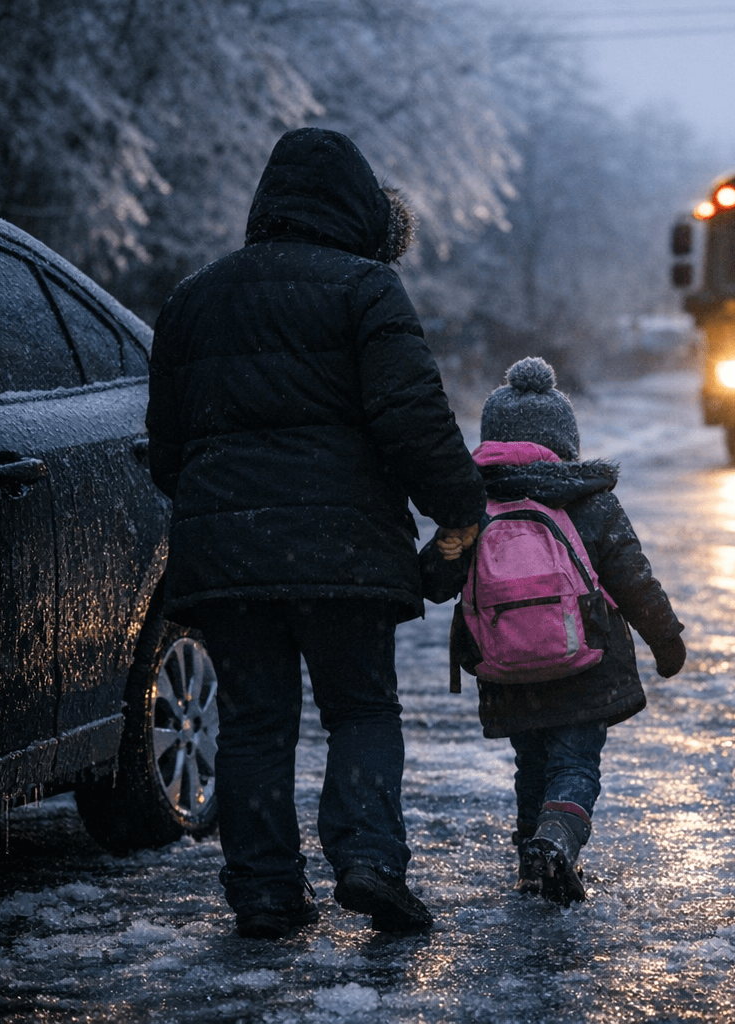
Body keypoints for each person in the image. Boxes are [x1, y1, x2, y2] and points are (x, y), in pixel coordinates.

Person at [146, 128, 486, 940]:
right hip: (343, 554)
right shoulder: (366, 289)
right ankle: (369, 859)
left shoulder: (193, 298)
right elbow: (410, 419)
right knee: (361, 707)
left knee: (257, 723)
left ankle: (264, 891)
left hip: (228, 556)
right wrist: (460, 507)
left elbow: (167, 448)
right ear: (359, 209)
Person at [423, 357, 686, 906]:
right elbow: (633, 578)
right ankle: (555, 842)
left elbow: (434, 581)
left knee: (533, 764)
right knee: (575, 765)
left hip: (508, 667)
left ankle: (531, 863)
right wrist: (665, 640)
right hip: (586, 660)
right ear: (565, 440)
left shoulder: (474, 503)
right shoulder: (588, 499)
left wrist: (449, 548)